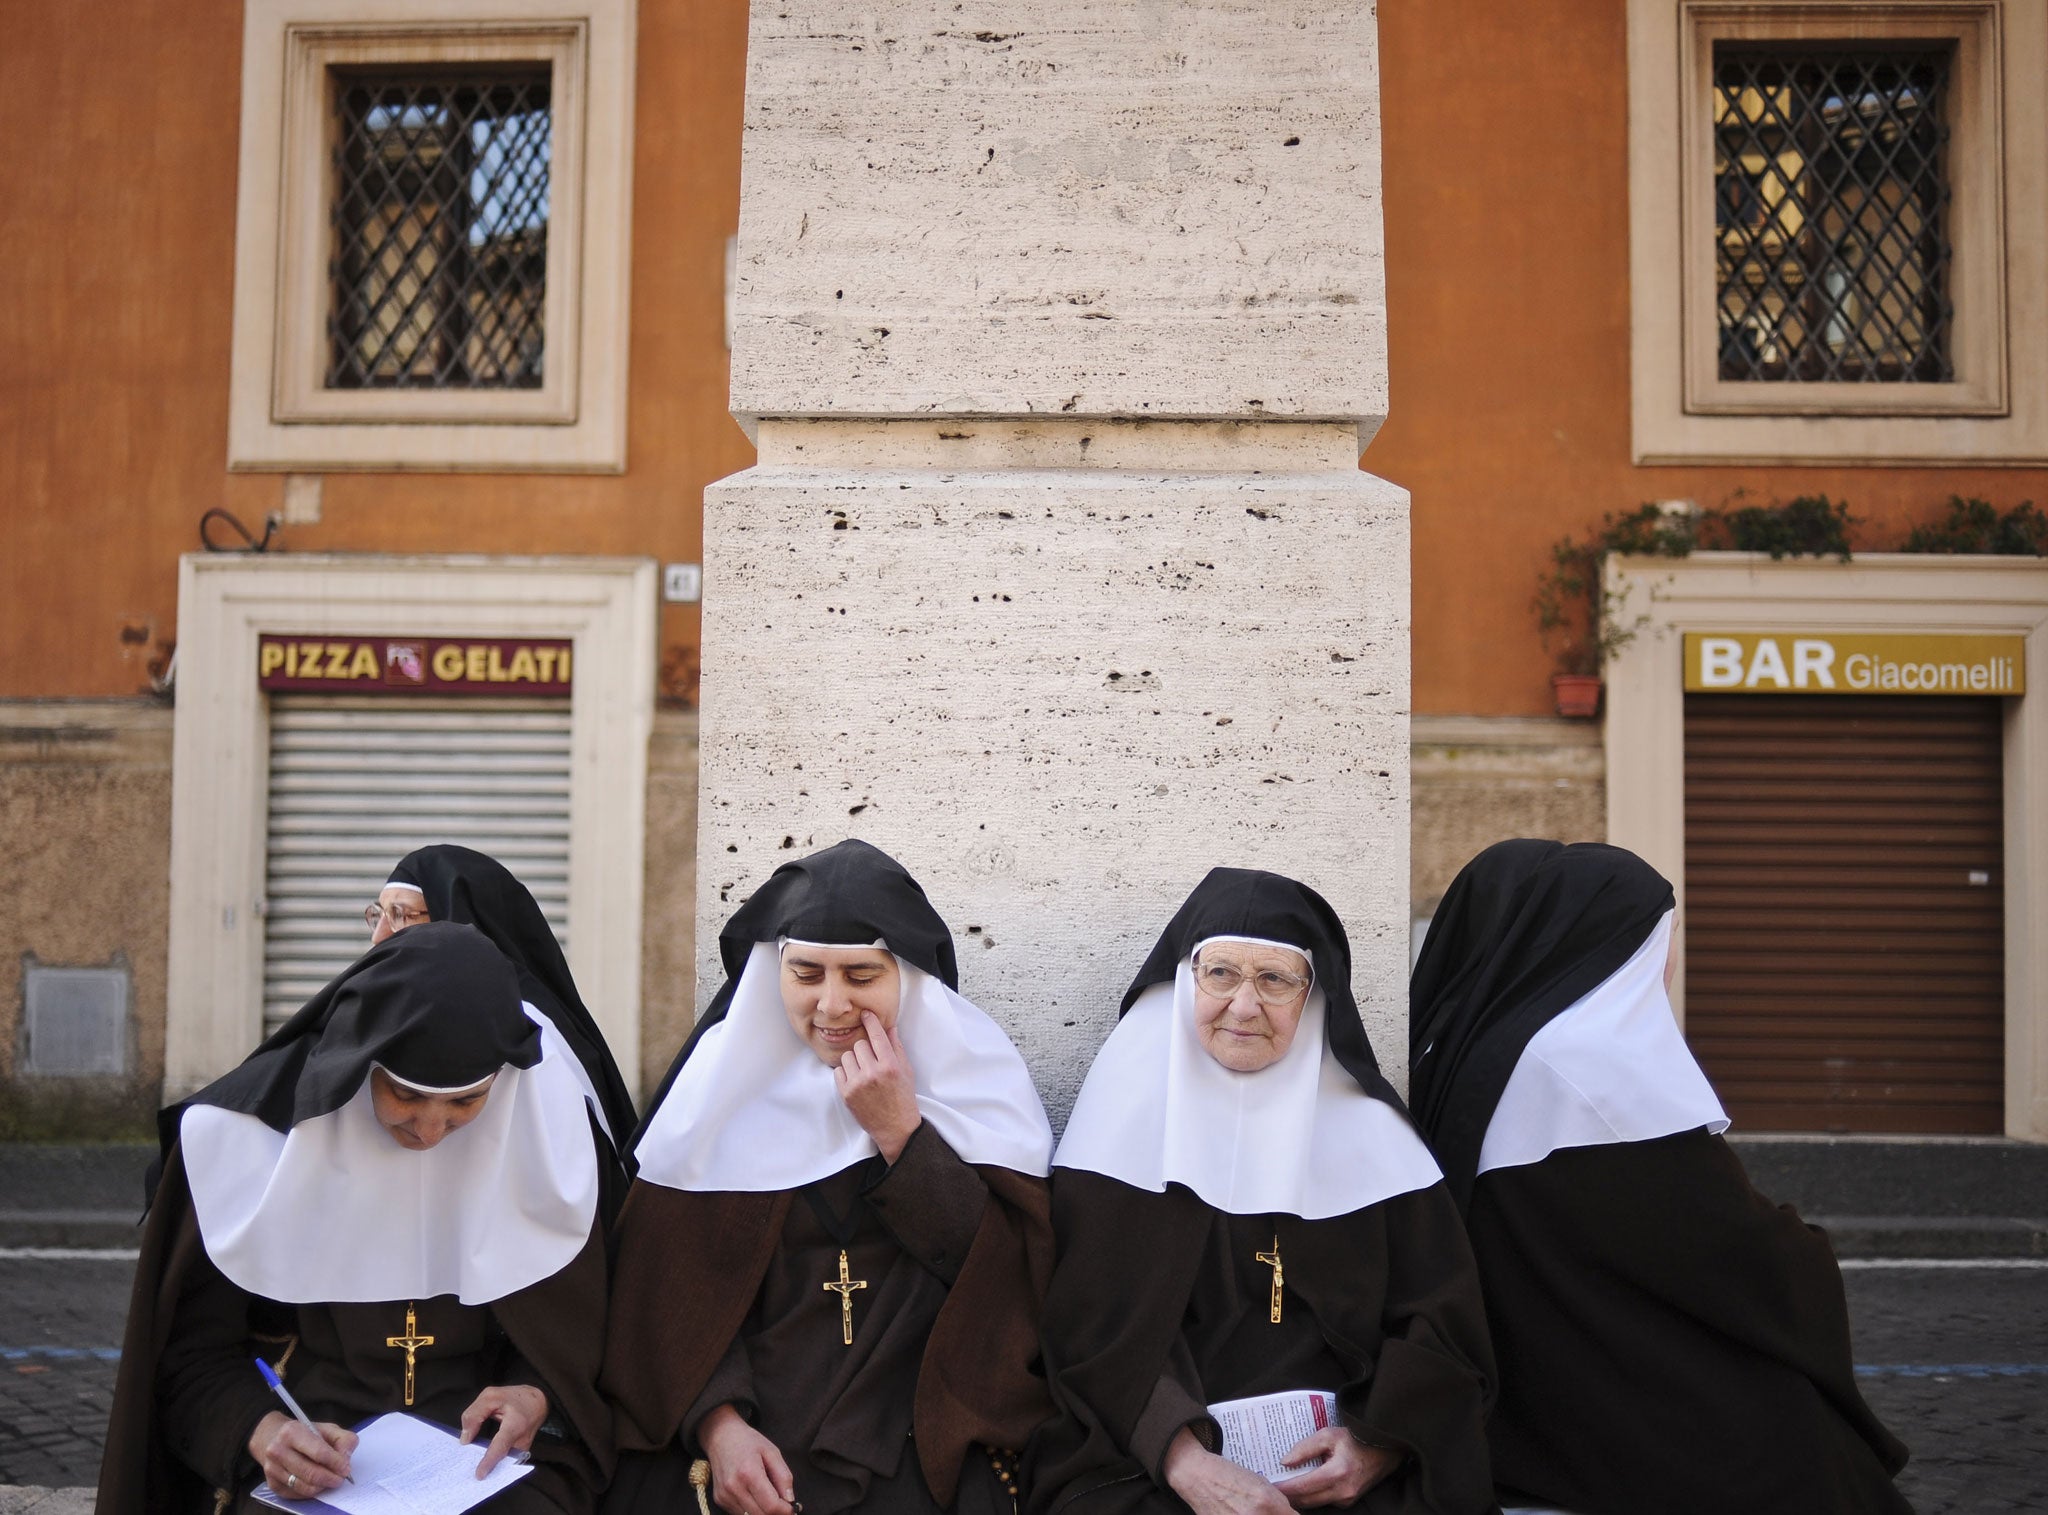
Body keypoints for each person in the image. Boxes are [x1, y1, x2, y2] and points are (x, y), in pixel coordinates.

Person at [1407, 839, 1912, 1515]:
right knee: (1805, 1444)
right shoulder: (1592, 1063)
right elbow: (1732, 1250)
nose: (1668, 961)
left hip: (1522, 1389)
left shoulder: (1480, 1044)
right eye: (1662, 938)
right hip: (1604, 1400)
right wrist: (1807, 1251)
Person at [600, 839, 1057, 1515]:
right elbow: (661, 1296)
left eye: (863, 976)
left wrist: (903, 1133)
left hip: (916, 1432)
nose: (833, 1005)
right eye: (807, 973)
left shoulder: (976, 1089)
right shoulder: (716, 1097)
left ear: (906, 975)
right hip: (745, 1436)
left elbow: (1011, 1280)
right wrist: (717, 1423)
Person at [98, 922, 615, 1513]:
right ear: (360, 1064)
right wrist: (262, 1431)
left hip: (487, 1458)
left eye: (466, 1102)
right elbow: (190, 1356)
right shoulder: (251, 1147)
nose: (429, 1130)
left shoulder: (545, 1140)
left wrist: (534, 1393)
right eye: (407, 1094)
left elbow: (573, 1335)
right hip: (316, 1443)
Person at [1026, 867, 1498, 1515]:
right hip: (1161, 1458)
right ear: (1186, 980)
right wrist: (1183, 1458)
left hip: (1348, 1463)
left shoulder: (1378, 1141)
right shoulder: (1119, 1134)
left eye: (1275, 979)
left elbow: (1445, 1327)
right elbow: (1086, 1335)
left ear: (1315, 994)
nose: (1243, 1006)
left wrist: (1378, 1442)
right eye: (1220, 973)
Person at [372, 843, 639, 1154]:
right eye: (378, 914)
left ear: (457, 917)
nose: (379, 937)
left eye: (400, 915)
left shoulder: (525, 1027)